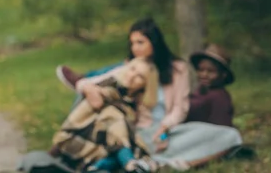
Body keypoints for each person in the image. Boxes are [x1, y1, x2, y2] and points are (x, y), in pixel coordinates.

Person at [60, 18, 243, 171]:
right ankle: (130, 162)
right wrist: (85, 85)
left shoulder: (178, 69)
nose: (135, 48)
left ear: (153, 42)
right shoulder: (133, 67)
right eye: (132, 43)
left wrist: (164, 129)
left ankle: (154, 162)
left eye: (140, 43)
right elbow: (97, 80)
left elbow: (180, 108)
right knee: (117, 133)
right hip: (137, 131)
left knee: (229, 135)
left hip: (168, 130)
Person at [50, 58, 160, 173]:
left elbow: (144, 127)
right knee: (113, 115)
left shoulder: (137, 103)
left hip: (105, 145)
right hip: (82, 136)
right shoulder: (110, 85)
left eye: (140, 77)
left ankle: (99, 167)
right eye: (132, 69)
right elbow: (95, 100)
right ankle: (130, 164)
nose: (132, 76)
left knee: (116, 129)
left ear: (146, 83)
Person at [186, 44, 235, 127]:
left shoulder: (220, 98)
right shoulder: (201, 91)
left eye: (211, 71)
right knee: (161, 136)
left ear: (223, 74)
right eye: (201, 70)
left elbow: (222, 130)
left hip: (203, 138)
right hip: (184, 133)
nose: (204, 75)